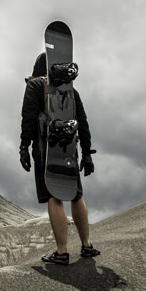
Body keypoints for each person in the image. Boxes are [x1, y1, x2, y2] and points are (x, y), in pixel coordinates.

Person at [20, 52, 100, 265]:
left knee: (54, 196)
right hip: (69, 149)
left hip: (45, 148)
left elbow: (27, 119)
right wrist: (87, 154)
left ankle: (62, 251)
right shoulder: (71, 91)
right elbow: (83, 123)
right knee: (75, 195)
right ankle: (87, 245)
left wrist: (24, 148)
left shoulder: (35, 86)